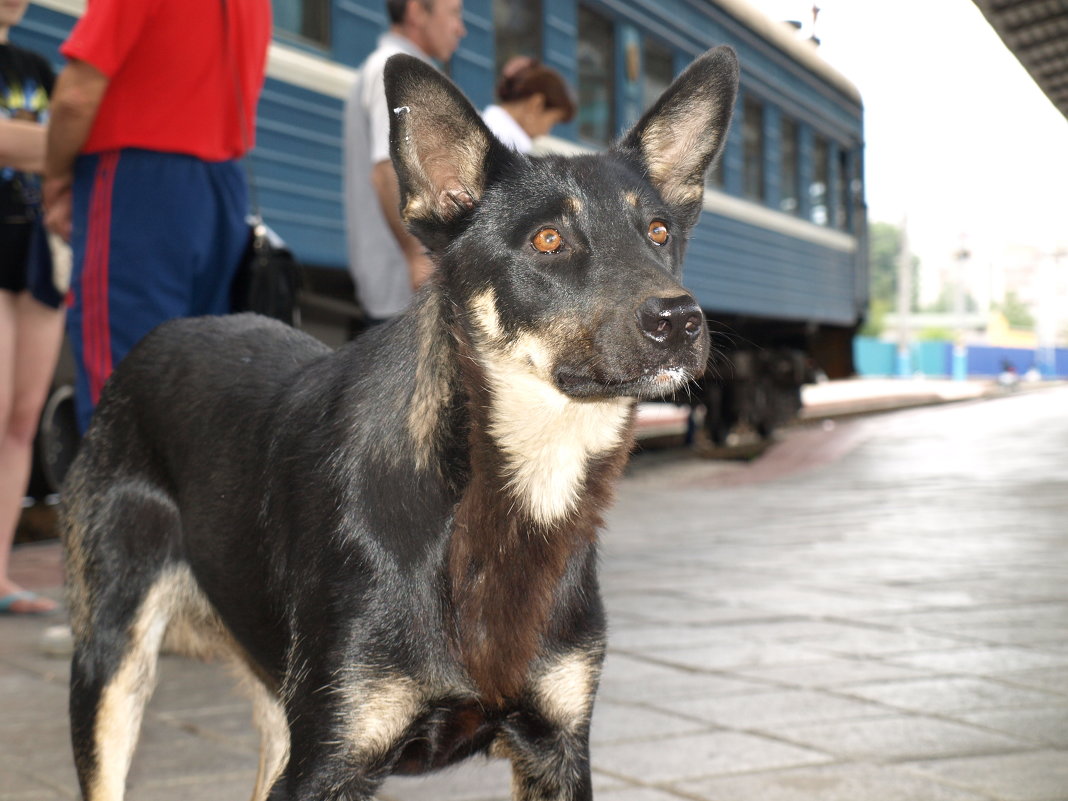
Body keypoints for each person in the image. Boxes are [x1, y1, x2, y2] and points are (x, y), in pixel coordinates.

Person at [43, 0, 272, 433]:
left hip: (139, 183)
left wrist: (56, 177)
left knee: (124, 393)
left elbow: (76, 95)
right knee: (196, 398)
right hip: (222, 189)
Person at [343, 0, 466, 324]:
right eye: (453, 12)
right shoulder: (395, 70)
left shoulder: (396, 68)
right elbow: (387, 173)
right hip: (407, 288)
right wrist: (417, 254)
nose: (460, 28)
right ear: (416, 11)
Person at [1, 0, 64, 615]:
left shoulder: (35, 67)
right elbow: (47, 143)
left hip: (37, 262)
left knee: (22, 419)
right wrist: (41, 143)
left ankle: (0, 575)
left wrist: (40, 144)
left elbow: (63, 148)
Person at [481, 57, 575, 154]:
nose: (545, 133)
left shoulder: (484, 129)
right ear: (536, 105)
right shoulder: (510, 148)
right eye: (553, 122)